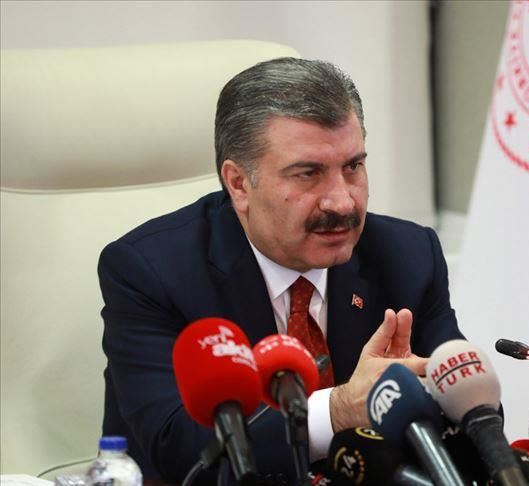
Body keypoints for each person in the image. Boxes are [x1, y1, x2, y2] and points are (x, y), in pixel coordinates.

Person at [98, 57, 463, 482]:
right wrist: (339, 409)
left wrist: (426, 398)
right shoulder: (151, 271)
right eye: (308, 173)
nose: (343, 202)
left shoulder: (409, 256)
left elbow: (468, 413)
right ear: (239, 184)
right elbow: (180, 449)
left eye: (353, 167)